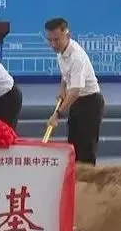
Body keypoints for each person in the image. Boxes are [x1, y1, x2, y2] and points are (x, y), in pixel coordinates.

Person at [44, 18, 105, 165]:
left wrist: (57, 114)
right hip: (77, 102)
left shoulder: (76, 56)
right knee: (73, 144)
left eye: (56, 40)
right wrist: (62, 89)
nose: (53, 44)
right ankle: (75, 177)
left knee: (86, 148)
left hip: (90, 102)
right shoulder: (61, 51)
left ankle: (87, 178)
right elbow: (66, 74)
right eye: (50, 40)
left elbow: (75, 91)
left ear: (67, 35)